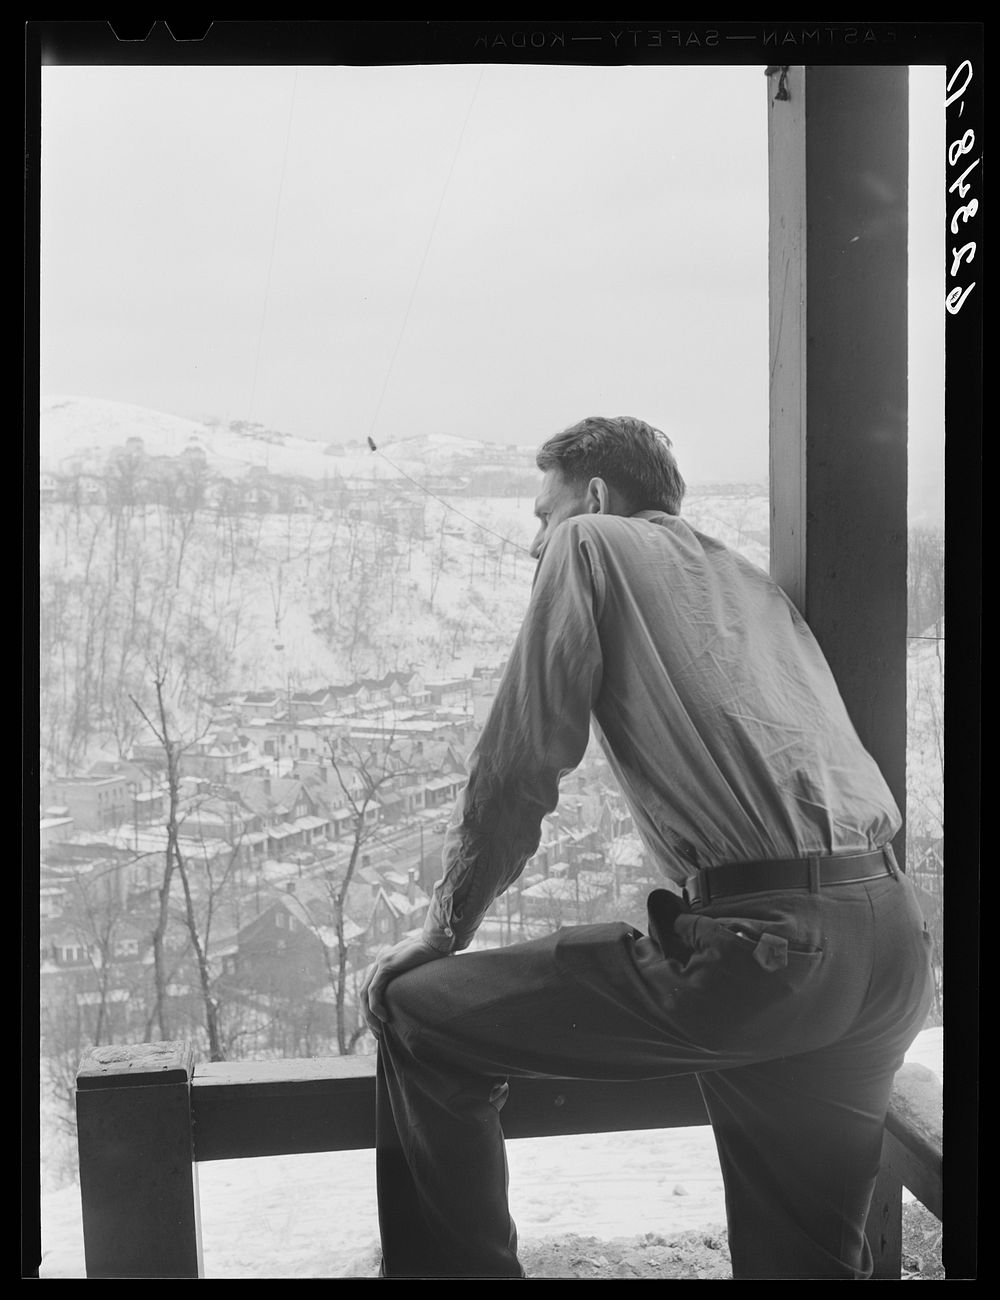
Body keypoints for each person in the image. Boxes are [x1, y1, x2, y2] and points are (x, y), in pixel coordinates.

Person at [361, 415, 932, 1280]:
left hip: (768, 950)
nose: (534, 543)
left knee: (417, 1015)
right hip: (888, 945)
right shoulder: (747, 584)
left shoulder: (589, 544)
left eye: (539, 516)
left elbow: (522, 759)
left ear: (592, 497)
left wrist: (447, 924)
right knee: (806, 1265)